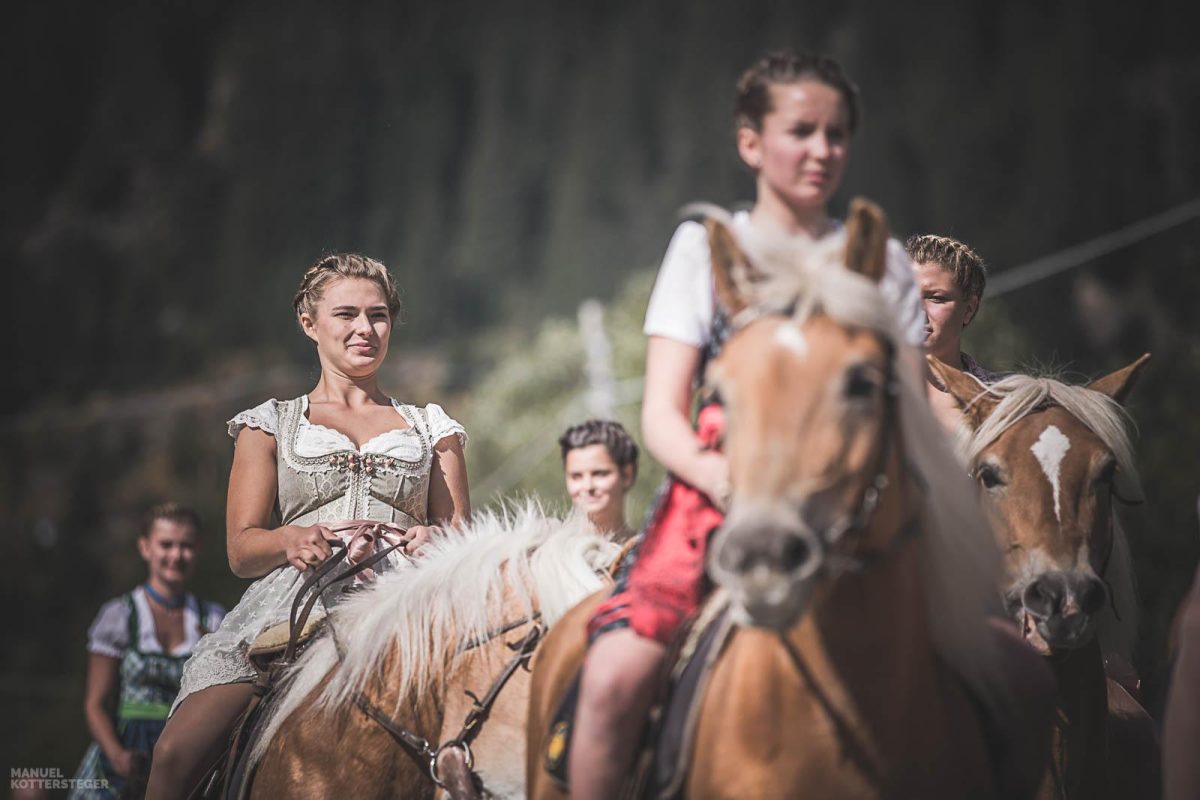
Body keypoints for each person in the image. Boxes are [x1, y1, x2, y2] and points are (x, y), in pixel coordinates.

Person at [568, 51, 929, 800]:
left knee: (1020, 681)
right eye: (802, 130)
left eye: (837, 134)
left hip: (864, 507)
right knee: (609, 684)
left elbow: (917, 418)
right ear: (751, 143)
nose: (823, 151)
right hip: (719, 498)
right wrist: (730, 482)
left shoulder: (885, 264)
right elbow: (662, 416)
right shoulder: (702, 249)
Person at [145, 254, 471, 798]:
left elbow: (462, 534)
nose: (365, 329)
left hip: (407, 607)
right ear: (308, 322)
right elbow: (242, 550)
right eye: (346, 314)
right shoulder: (268, 424)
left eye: (379, 315)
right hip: (293, 611)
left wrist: (436, 538)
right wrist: (289, 538)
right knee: (174, 755)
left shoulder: (433, 426)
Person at [71, 503, 226, 799]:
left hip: (184, 756)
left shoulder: (213, 620)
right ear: (145, 547)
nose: (176, 556)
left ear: (198, 550)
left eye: (186, 546)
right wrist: (117, 755)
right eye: (166, 545)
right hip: (124, 757)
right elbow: (95, 704)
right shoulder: (120, 616)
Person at [905, 234, 1004, 431]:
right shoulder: (867, 395)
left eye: (936, 298)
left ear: (969, 310)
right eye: (906, 295)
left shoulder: (1003, 403)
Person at [559, 419, 639, 540]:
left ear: (627, 474)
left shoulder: (649, 551)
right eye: (576, 476)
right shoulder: (552, 552)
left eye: (600, 474)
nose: (588, 486)